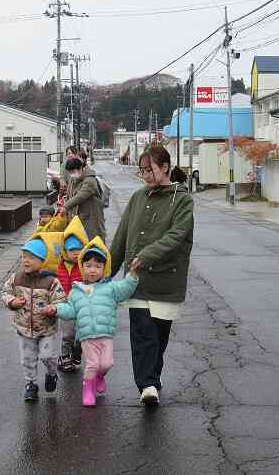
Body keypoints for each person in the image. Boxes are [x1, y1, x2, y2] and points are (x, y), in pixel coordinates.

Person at [110, 143, 194, 407]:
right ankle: (146, 384)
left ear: (165, 168)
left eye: (150, 170)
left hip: (167, 280)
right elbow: (121, 237)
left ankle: (152, 379)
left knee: (159, 336)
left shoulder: (182, 199)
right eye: (142, 171)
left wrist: (147, 254)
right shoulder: (137, 198)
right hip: (137, 279)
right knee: (142, 333)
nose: (145, 176)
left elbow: (177, 236)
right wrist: (103, 274)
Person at [40, 237, 139, 407]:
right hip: (86, 336)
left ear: (104, 269)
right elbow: (70, 310)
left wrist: (133, 275)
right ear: (82, 267)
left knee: (107, 363)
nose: (92, 270)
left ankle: (100, 377)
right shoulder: (75, 292)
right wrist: (56, 309)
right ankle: (87, 389)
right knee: (92, 364)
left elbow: (126, 288)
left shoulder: (110, 288)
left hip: (105, 334)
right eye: (88, 266)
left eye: (98, 266)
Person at [1, 238, 67, 402]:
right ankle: (31, 384)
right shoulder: (16, 278)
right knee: (27, 359)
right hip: (24, 329)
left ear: (42, 260)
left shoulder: (51, 281)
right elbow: (5, 292)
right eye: (24, 256)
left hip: (46, 329)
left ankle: (51, 374)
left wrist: (54, 308)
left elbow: (61, 301)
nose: (26, 260)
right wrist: (12, 301)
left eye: (31, 257)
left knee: (47, 356)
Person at [56, 217, 88, 372]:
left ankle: (77, 350)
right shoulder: (58, 266)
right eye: (72, 250)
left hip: (83, 305)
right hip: (66, 305)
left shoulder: (86, 266)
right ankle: (65, 357)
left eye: (79, 249)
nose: (76, 254)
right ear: (65, 251)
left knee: (83, 332)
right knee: (67, 333)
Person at [63, 157, 106, 242]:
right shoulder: (74, 179)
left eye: (72, 172)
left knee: (94, 240)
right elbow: (70, 194)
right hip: (81, 216)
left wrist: (66, 206)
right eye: (70, 172)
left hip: (92, 216)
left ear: (80, 168)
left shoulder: (90, 180)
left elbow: (81, 195)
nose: (71, 174)